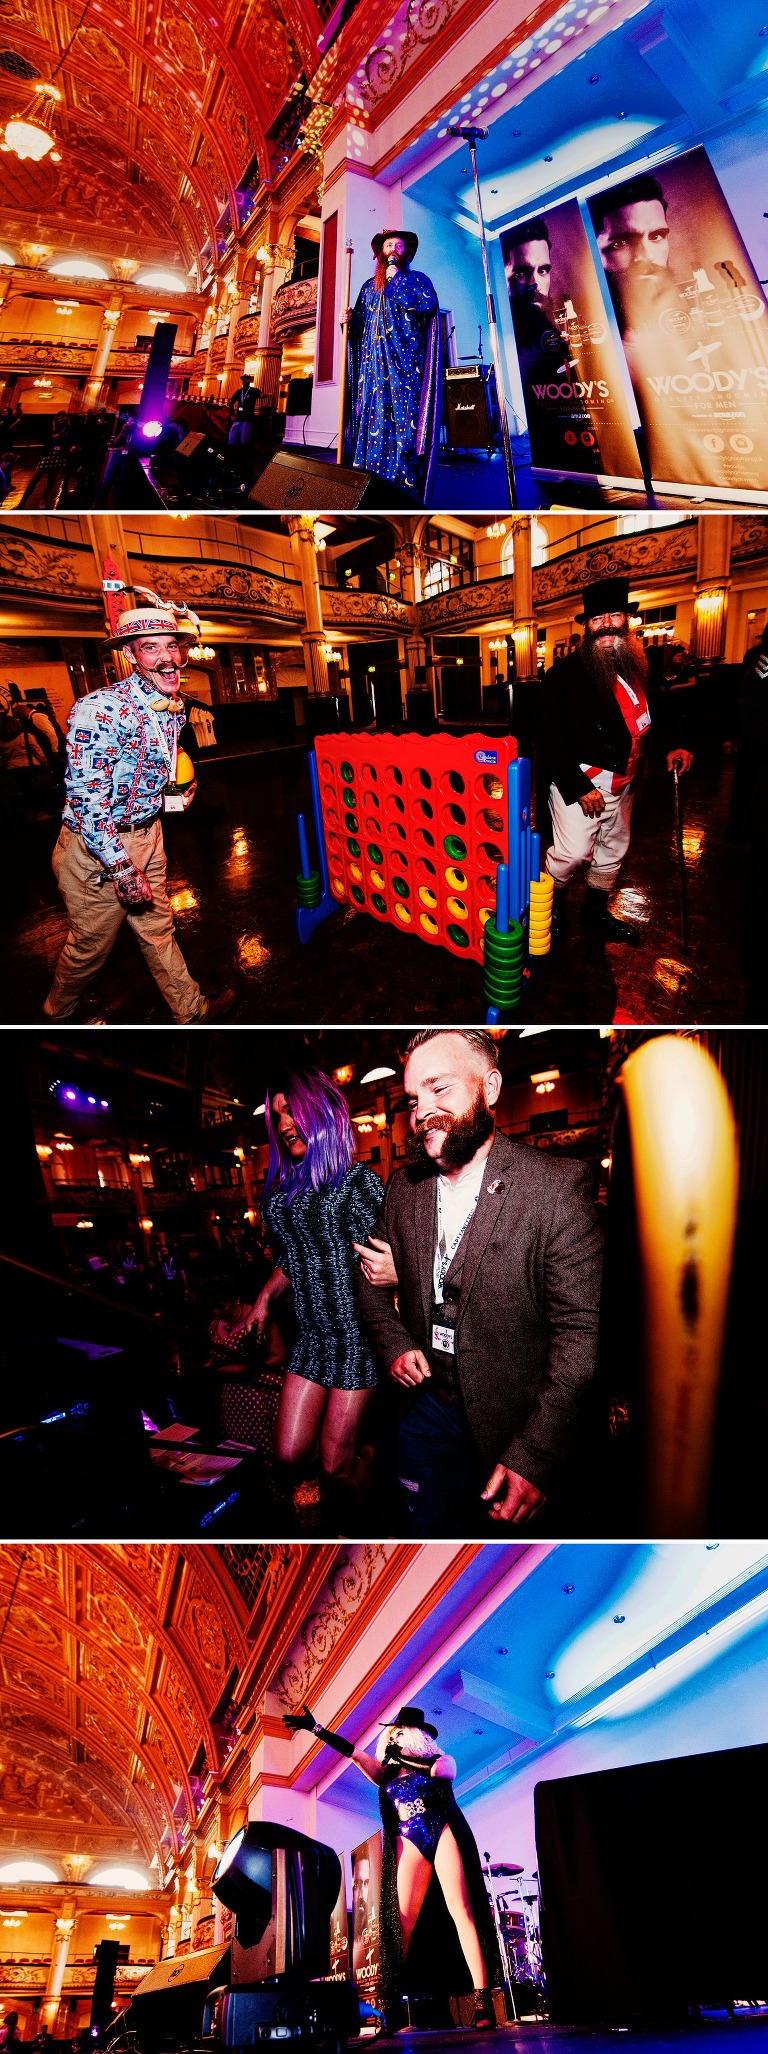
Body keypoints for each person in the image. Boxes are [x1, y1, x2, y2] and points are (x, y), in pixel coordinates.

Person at [354, 1029, 603, 1536]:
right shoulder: (404, 1188)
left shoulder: (555, 1188)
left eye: (439, 1088)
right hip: (427, 1409)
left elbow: (581, 1335)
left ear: (489, 1088)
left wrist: (537, 1452)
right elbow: (367, 1282)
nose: (422, 1111)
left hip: (516, 1419)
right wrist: (396, 1344)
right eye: (413, 1099)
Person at [43, 605, 234, 1021]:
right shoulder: (99, 709)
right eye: (151, 648)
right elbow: (85, 799)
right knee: (90, 945)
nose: (167, 658)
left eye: (172, 646)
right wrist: (123, 870)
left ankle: (191, 1011)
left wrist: (174, 790)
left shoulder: (173, 703)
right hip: (98, 847)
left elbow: (157, 759)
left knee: (157, 927)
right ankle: (55, 1013)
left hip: (149, 833)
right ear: (131, 654)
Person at [282, 1702, 501, 2029]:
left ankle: (483, 2003)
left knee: (461, 1910)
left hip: (440, 1828)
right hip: (409, 1836)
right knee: (402, 1921)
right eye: (392, 1732)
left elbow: (445, 1773)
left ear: (415, 1736)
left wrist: (404, 1757)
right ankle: (393, 2006)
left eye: (401, 1731)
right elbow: (355, 1754)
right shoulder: (386, 1774)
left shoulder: (438, 1760)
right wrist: (318, 1730)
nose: (394, 1736)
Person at [228, 1069, 387, 1502]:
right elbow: (293, 1257)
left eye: (292, 1112)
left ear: (321, 1113)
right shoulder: (283, 1193)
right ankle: (365, 1454)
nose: (282, 1125)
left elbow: (386, 1267)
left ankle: (377, 1514)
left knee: (335, 1465)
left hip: (357, 1338)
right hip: (312, 1338)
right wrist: (263, 1299)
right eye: (277, 1116)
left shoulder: (359, 1184)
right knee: (289, 1454)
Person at [541, 574, 694, 940]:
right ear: (588, 625)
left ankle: (595, 913)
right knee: (572, 854)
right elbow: (546, 737)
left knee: (613, 849)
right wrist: (578, 787)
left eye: (613, 616)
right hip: (583, 783)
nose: (606, 626)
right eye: (597, 619)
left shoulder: (639, 664)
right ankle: (552, 910)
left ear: (627, 619)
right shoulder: (564, 675)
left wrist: (671, 744)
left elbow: (653, 716)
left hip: (625, 782)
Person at [344, 230, 442, 502]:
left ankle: (403, 484)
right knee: (373, 416)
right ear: (380, 253)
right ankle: (368, 475)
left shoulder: (416, 279)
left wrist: (396, 281)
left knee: (403, 419)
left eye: (399, 246)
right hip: (372, 368)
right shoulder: (367, 287)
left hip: (405, 365)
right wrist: (349, 321)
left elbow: (428, 305)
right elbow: (358, 330)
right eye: (389, 245)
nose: (393, 249)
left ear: (405, 254)